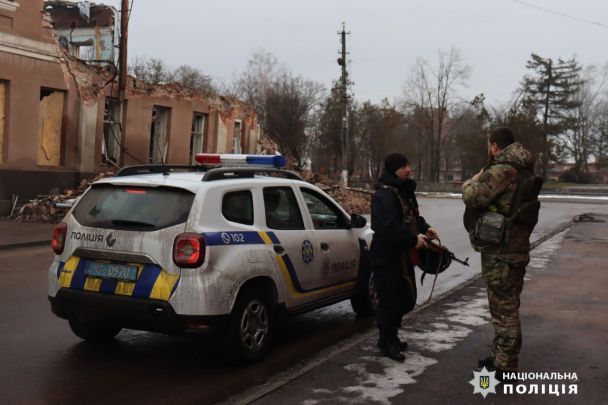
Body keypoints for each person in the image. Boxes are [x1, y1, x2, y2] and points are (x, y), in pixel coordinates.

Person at [462, 127, 535, 379]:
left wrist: (471, 182)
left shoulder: (503, 170)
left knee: (504, 309)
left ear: (495, 146)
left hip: (501, 252)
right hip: (516, 247)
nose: (489, 150)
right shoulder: (523, 169)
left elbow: (474, 198)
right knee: (507, 304)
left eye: (489, 146)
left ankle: (505, 366)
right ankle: (500, 357)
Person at [370, 153, 438, 362]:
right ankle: (387, 341)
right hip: (386, 258)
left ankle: (390, 337)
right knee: (389, 301)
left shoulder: (402, 191)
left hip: (402, 257)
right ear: (394, 170)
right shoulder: (384, 195)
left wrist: (425, 229)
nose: (409, 169)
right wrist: (412, 239)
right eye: (404, 166)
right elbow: (386, 229)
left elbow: (411, 217)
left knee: (403, 299)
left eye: (408, 165)